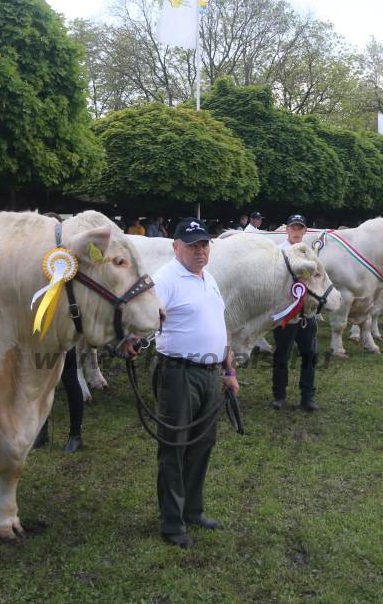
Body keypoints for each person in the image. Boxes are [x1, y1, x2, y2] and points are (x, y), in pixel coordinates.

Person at [148, 217, 239, 548]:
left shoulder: (208, 277)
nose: (200, 251)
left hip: (211, 373)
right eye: (192, 245)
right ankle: (172, 522)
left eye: (204, 245)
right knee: (174, 447)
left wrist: (229, 371)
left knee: (202, 444)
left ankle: (192, 510)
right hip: (178, 373)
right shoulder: (165, 279)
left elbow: (218, 325)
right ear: (176, 247)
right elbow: (146, 316)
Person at [271, 214, 320, 411]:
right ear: (287, 229)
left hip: (307, 313)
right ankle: (279, 395)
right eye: (293, 228)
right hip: (286, 312)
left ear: (305, 231)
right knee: (282, 354)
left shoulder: (311, 254)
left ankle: (307, 396)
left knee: (310, 354)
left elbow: (318, 278)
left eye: (300, 228)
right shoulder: (278, 253)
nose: (296, 232)